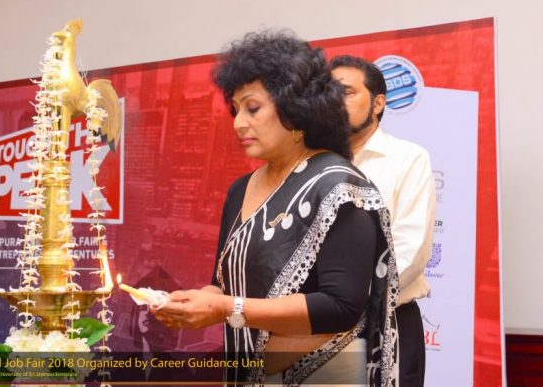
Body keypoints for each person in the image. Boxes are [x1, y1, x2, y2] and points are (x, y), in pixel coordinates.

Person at [153, 31, 400, 386]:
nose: (238, 123)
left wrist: (228, 309)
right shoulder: (241, 190)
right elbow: (223, 287)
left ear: (295, 108)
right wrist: (192, 304)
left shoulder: (339, 186)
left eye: (252, 108)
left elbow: (340, 307)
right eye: (235, 110)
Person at [330, 55, 436, 387]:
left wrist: (342, 303)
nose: (335, 101)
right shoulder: (312, 163)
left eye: (347, 92)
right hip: (316, 327)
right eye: (328, 92)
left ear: (377, 104)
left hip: (387, 320)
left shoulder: (408, 158)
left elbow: (410, 251)